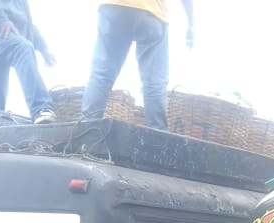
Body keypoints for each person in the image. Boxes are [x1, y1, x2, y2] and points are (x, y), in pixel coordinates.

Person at [80, 0, 195, 130]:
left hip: (113, 7)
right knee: (154, 82)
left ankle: (85, 133)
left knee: (101, 75)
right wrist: (191, 24)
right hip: (152, 11)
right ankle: (157, 141)